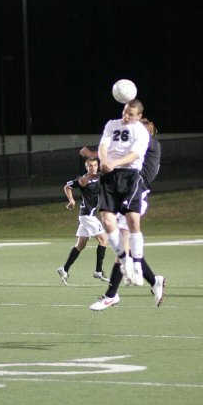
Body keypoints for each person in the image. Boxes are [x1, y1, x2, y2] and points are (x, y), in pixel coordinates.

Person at [80, 118, 165, 306]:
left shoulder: (147, 141)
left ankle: (111, 295)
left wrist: (93, 154)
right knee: (126, 250)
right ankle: (154, 281)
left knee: (123, 249)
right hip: (126, 193)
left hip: (135, 195)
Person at [87, 99, 150, 311]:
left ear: (139, 116)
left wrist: (115, 163)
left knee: (132, 221)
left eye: (131, 114)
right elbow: (103, 145)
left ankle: (138, 264)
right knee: (107, 221)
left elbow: (135, 154)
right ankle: (125, 260)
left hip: (129, 176)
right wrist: (105, 161)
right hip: (109, 177)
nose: (126, 117)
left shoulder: (141, 131)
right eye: (125, 112)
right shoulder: (112, 124)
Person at [57, 157, 109, 285]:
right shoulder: (83, 180)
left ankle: (64, 269)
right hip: (87, 216)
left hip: (86, 216)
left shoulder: (99, 177)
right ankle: (98, 271)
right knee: (103, 241)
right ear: (87, 167)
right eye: (90, 166)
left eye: (95, 165)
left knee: (80, 245)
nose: (93, 167)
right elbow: (67, 187)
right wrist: (72, 200)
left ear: (98, 166)